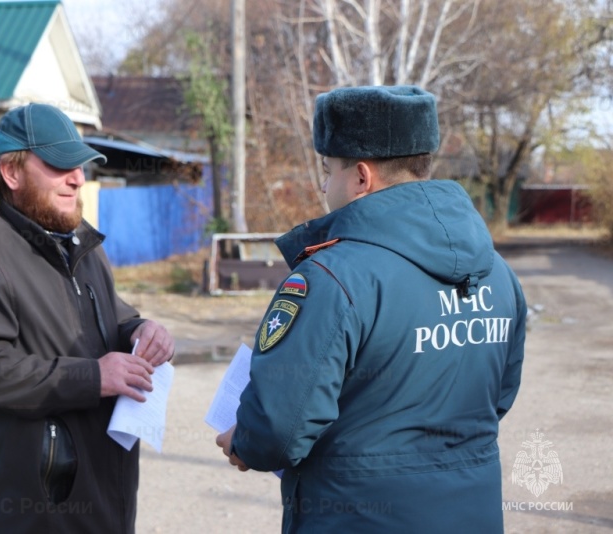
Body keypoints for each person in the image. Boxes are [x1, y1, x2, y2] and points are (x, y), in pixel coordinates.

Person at [215, 85, 527, 533]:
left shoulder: (331, 276)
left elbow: (278, 431)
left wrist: (245, 440)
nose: (323, 185)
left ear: (362, 177)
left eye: (328, 170)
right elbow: (497, 398)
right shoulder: (498, 273)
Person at [0, 103, 175, 533]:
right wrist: (90, 378)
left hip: (107, 498)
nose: (77, 178)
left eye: (80, 165)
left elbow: (112, 319)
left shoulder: (85, 244)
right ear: (11, 173)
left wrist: (141, 330)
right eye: (58, 164)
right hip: (41, 506)